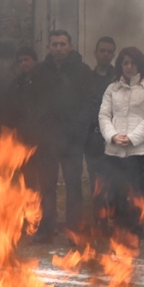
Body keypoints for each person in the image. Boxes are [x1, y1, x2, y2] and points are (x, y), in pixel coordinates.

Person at [27, 30, 96, 239]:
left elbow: (89, 104)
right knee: (46, 187)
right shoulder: (39, 72)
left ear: (70, 46)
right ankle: (46, 228)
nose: (58, 48)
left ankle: (74, 229)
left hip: (72, 141)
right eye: (55, 45)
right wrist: (38, 129)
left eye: (62, 44)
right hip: (46, 141)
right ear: (49, 47)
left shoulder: (83, 71)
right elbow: (30, 103)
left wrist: (78, 131)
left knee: (73, 186)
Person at [97, 46, 144, 231]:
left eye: (133, 63)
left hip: (140, 151)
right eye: (125, 63)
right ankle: (119, 232)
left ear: (140, 64)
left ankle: (134, 234)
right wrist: (112, 136)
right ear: (120, 65)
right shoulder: (112, 88)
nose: (129, 67)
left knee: (135, 193)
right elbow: (103, 115)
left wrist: (132, 138)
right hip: (114, 150)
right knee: (115, 193)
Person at [86, 37, 117, 213]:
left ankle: (114, 217)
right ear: (95, 53)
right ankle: (100, 220)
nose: (105, 54)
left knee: (114, 180)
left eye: (109, 51)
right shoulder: (87, 78)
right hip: (93, 138)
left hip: (114, 138)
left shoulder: (118, 78)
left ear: (113, 54)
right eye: (102, 51)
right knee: (96, 181)